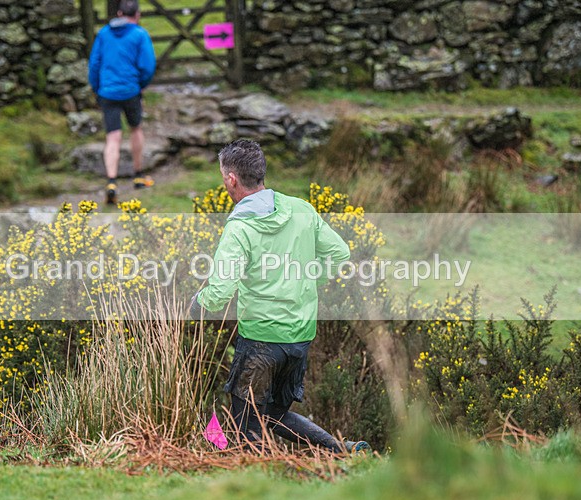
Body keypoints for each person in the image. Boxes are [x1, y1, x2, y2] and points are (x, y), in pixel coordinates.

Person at [190, 139, 370, 454]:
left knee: (247, 428)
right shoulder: (301, 209)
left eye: (223, 179)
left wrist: (196, 307)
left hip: (261, 340)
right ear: (260, 173)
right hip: (300, 337)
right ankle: (344, 449)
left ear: (232, 179)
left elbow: (220, 290)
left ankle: (253, 483)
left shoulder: (239, 229)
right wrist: (311, 282)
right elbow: (340, 253)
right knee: (271, 415)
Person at [88, 0, 156, 205]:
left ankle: (111, 182)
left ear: (118, 13)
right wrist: (141, 84)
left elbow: (94, 64)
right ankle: (138, 176)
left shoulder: (103, 34)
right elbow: (148, 65)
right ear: (137, 14)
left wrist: (97, 88)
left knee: (113, 137)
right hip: (130, 90)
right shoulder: (140, 34)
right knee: (136, 129)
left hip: (107, 91)